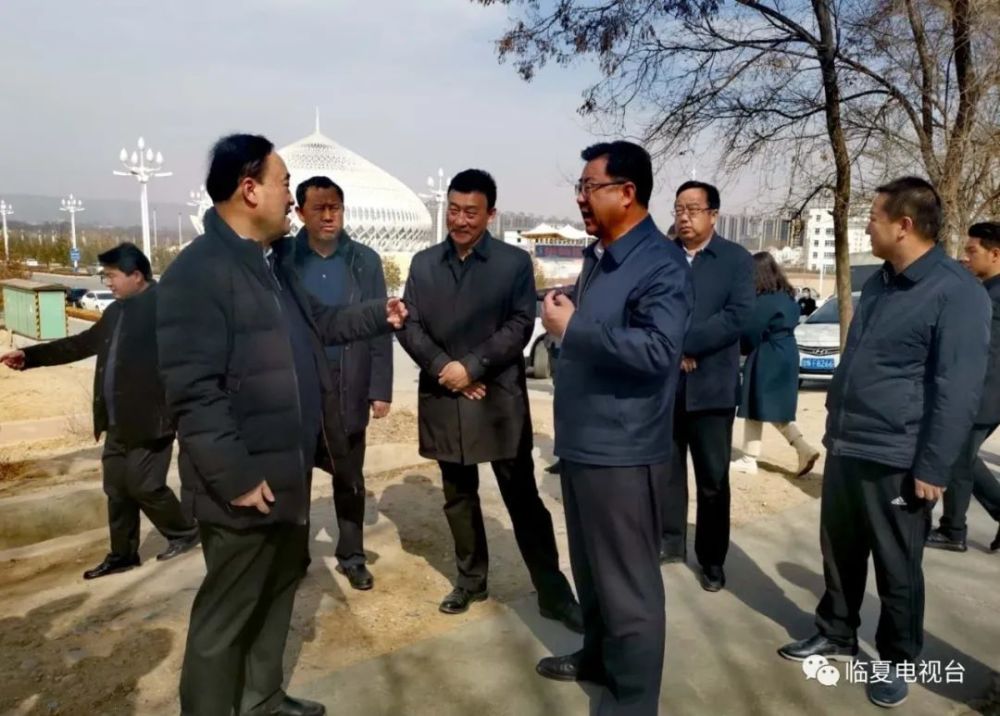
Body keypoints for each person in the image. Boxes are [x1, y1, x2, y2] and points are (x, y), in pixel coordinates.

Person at [157, 134, 407, 716]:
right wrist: (239, 476)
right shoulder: (202, 272)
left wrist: (379, 313)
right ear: (249, 190)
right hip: (243, 486)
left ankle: (262, 699)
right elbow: (193, 394)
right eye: (283, 184)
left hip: (285, 473)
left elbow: (317, 323)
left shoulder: (269, 267)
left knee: (275, 592)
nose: (291, 198)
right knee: (228, 615)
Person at [778, 177, 990, 709]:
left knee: (896, 565)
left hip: (899, 455)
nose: (866, 224)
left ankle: (899, 658)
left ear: (905, 225)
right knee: (840, 550)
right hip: (851, 443)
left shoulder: (954, 291)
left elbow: (956, 388)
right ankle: (837, 629)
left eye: (873, 216)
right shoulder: (882, 283)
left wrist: (934, 466)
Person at [535, 141, 692, 716]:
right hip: (584, 445)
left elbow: (657, 351)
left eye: (589, 186)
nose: (580, 197)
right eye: (579, 187)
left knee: (629, 590)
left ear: (627, 193)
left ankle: (632, 701)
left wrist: (573, 329)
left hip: (624, 451)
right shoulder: (600, 254)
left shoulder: (659, 262)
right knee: (594, 575)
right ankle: (599, 658)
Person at [397, 168, 582, 630]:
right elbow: (408, 325)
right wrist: (446, 369)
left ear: (491, 214)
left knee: (522, 498)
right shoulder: (422, 265)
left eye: (471, 213)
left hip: (496, 400)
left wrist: (472, 367)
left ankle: (552, 592)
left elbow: (520, 327)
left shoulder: (512, 264)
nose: (460, 220)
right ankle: (470, 580)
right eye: (454, 210)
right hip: (443, 394)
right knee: (458, 496)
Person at [0, 243, 199, 579]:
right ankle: (123, 554)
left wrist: (179, 410)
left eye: (112, 276)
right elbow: (79, 344)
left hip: (152, 420)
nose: (107, 283)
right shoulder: (116, 312)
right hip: (115, 420)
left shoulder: (167, 308)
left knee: (145, 485)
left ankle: (183, 532)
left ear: (136, 275)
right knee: (117, 490)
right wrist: (30, 357)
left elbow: (190, 361)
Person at [292, 175, 393, 591]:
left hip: (347, 380)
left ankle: (351, 555)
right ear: (300, 213)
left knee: (348, 474)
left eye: (336, 206)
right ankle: (294, 555)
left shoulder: (363, 261)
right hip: (299, 381)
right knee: (295, 476)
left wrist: (380, 388)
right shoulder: (284, 258)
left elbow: (380, 323)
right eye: (319, 207)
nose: (330, 214)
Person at [659, 180, 754, 593]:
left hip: (712, 387)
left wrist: (689, 344)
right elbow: (649, 309)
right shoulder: (662, 257)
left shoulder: (734, 259)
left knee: (713, 479)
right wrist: (673, 349)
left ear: (713, 214)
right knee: (667, 470)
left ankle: (713, 559)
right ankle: (669, 541)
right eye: (679, 208)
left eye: (693, 209)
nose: (684, 216)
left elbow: (739, 316)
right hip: (665, 384)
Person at [926, 221, 1000, 553]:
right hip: (986, 393)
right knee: (962, 459)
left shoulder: (990, 297)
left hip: (982, 394)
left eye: (972, 251)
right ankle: (953, 527)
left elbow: (982, 353)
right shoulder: (988, 292)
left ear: (995, 254)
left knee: (957, 458)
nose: (966, 258)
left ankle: (953, 530)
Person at [731, 252, 821, 477]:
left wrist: (741, 347)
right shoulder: (787, 296)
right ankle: (803, 449)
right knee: (772, 406)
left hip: (767, 354)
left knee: (755, 403)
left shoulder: (763, 300)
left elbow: (751, 332)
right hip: (788, 351)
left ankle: (749, 459)